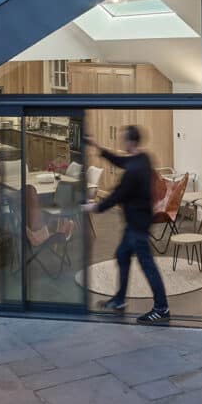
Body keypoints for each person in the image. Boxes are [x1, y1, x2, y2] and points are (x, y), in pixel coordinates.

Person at [82, 125, 170, 324]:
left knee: (148, 265)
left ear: (130, 142)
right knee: (122, 255)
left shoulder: (135, 170)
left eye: (123, 139)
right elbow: (120, 160)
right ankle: (120, 300)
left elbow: (117, 195)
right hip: (136, 222)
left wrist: (94, 207)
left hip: (138, 225)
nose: (121, 142)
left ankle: (162, 308)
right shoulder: (142, 158)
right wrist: (97, 146)